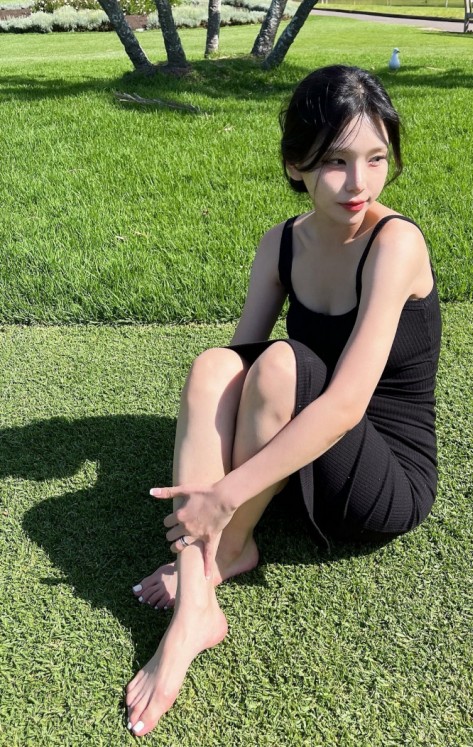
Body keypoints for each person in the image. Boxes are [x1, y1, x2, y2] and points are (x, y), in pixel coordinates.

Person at [125, 64, 441, 737]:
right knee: (215, 364)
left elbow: (346, 404)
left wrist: (225, 494)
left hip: (382, 481)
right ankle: (199, 596)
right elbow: (231, 375)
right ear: (296, 164)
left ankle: (224, 551)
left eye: (376, 158)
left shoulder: (395, 245)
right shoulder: (282, 244)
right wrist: (219, 468)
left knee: (280, 365)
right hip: (301, 464)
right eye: (335, 162)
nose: (358, 183)